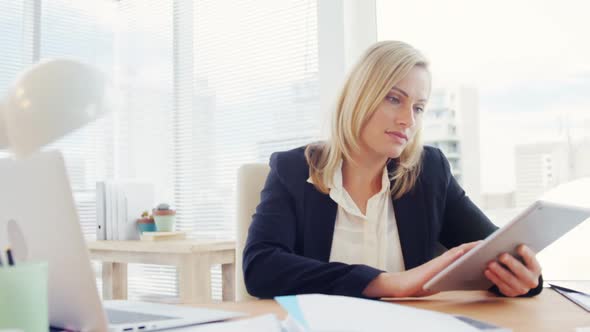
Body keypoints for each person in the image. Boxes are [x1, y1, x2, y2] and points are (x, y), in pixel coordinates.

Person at [243, 41, 543, 299]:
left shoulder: (430, 172)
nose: (408, 120)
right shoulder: (293, 170)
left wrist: (524, 279)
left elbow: (492, 251)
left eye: (418, 107)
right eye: (394, 99)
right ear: (359, 97)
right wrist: (389, 283)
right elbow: (261, 267)